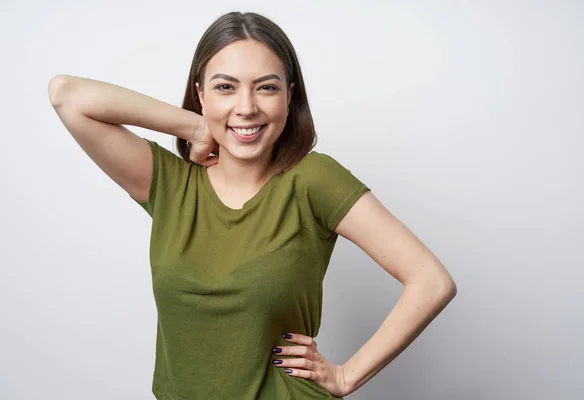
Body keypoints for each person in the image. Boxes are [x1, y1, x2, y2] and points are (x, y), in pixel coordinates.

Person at [48, 11, 457, 400]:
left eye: (266, 86)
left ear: (289, 96)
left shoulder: (313, 179)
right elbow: (67, 95)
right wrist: (193, 125)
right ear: (200, 93)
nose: (246, 107)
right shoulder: (169, 184)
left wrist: (347, 375)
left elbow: (431, 281)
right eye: (225, 87)